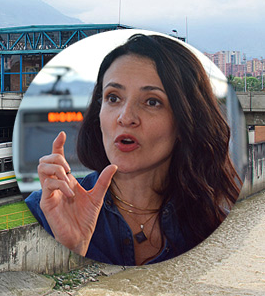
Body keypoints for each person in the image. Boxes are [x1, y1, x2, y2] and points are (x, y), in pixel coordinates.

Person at [25, 34, 241, 266]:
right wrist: (71, 252)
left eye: (152, 102)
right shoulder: (45, 211)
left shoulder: (215, 227)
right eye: (113, 98)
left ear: (184, 121)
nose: (125, 117)